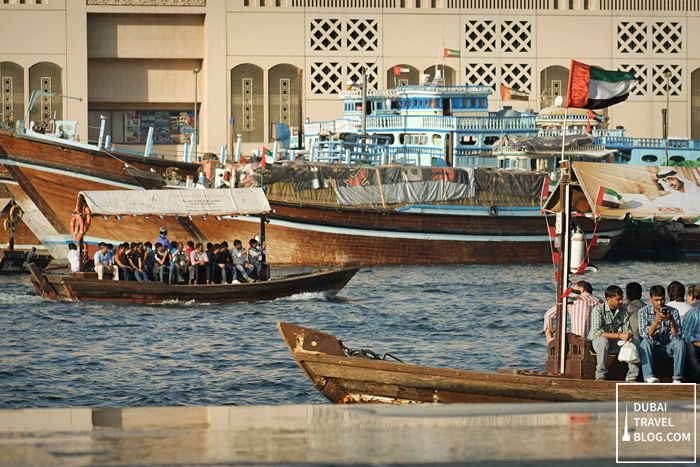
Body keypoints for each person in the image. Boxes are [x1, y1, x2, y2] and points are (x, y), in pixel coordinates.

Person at [588, 285, 638, 382]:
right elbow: (596, 332)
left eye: (622, 298)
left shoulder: (623, 310)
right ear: (609, 299)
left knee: (636, 341)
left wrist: (628, 337)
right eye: (618, 299)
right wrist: (619, 335)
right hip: (597, 344)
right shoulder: (598, 310)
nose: (621, 301)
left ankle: (632, 377)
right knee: (603, 341)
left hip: (615, 344)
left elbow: (627, 329)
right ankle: (600, 375)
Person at [638, 285, 685, 384]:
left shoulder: (673, 312)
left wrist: (672, 321)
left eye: (662, 300)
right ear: (651, 299)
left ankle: (677, 378)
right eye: (657, 300)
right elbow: (645, 335)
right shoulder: (643, 312)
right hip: (651, 346)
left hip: (666, 347)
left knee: (680, 343)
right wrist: (655, 322)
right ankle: (649, 376)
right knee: (644, 343)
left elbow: (677, 336)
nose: (660, 303)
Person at [682, 285, 700, 383]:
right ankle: (697, 379)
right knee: (689, 346)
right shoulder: (692, 314)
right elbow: (686, 334)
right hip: (695, 344)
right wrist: (697, 343)